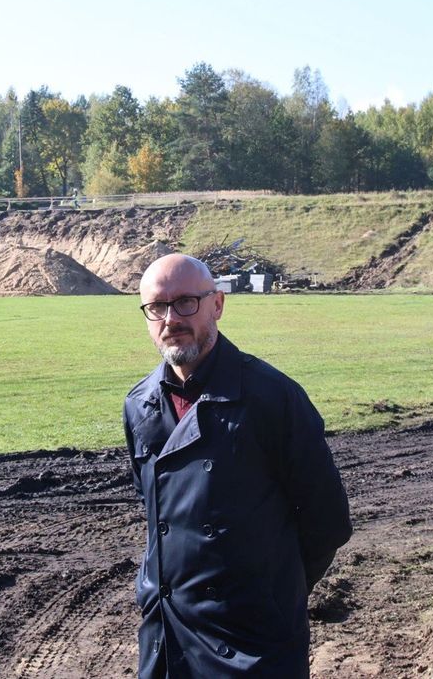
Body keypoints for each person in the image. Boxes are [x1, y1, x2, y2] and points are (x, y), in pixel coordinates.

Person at [122, 253, 352, 677]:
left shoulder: (273, 398)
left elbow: (328, 522)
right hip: (167, 637)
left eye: (186, 302)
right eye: (157, 307)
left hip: (252, 644)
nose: (171, 318)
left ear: (218, 305)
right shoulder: (140, 404)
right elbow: (156, 518)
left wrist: (270, 592)